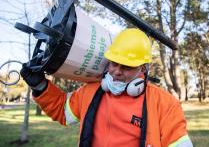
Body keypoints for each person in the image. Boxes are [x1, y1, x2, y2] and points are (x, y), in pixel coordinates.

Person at [20, 28, 193, 147]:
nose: (116, 72)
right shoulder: (92, 90)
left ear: (143, 68)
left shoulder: (165, 104)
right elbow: (62, 110)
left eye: (126, 66)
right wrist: (40, 85)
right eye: (113, 63)